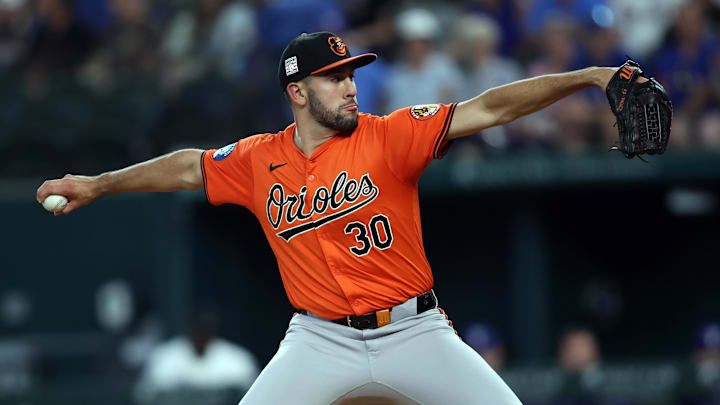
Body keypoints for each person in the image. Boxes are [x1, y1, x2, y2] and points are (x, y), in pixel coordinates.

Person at [37, 31, 632, 404]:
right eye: (336, 78)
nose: (351, 87)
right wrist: (99, 184)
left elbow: (491, 106)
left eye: (352, 75)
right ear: (298, 91)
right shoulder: (257, 159)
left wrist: (587, 77)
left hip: (415, 332)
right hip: (318, 339)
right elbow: (187, 167)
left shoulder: (391, 135)